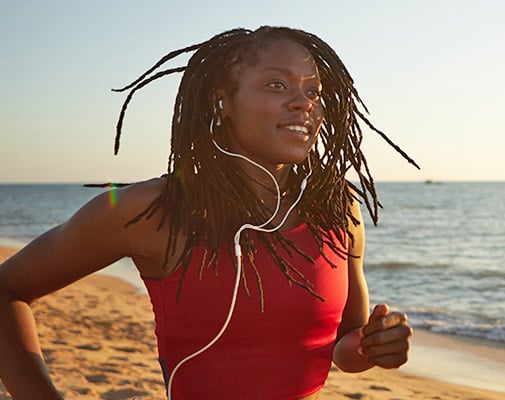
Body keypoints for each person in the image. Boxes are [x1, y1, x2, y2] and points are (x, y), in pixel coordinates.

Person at [0, 26, 418, 400]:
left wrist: (375, 345)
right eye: (277, 84)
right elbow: (7, 291)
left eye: (313, 91)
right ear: (222, 101)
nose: (303, 104)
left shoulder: (338, 209)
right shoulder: (151, 211)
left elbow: (343, 348)